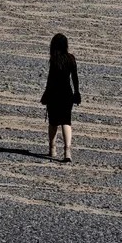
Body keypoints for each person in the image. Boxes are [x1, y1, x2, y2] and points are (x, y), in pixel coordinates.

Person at [40, 32, 81, 163]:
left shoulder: (54, 59)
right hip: (67, 94)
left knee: (53, 122)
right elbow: (75, 78)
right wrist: (77, 92)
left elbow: (50, 79)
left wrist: (46, 93)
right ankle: (67, 151)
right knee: (66, 122)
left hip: (54, 94)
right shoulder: (71, 59)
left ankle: (52, 148)